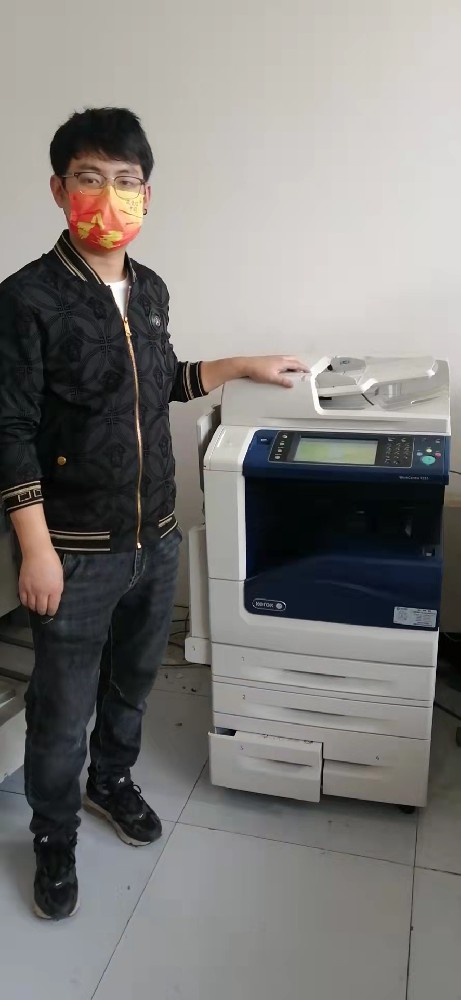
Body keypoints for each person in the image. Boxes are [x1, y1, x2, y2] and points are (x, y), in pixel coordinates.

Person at [0, 107, 306, 921]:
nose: (110, 196)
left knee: (132, 685)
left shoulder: (151, 288)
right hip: (74, 548)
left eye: (126, 181)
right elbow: (10, 430)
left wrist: (238, 364)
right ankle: (53, 836)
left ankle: (111, 781)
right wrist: (36, 548)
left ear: (147, 194)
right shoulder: (26, 299)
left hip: (155, 537)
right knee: (62, 709)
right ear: (59, 188)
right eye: (90, 178)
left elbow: (157, 380)